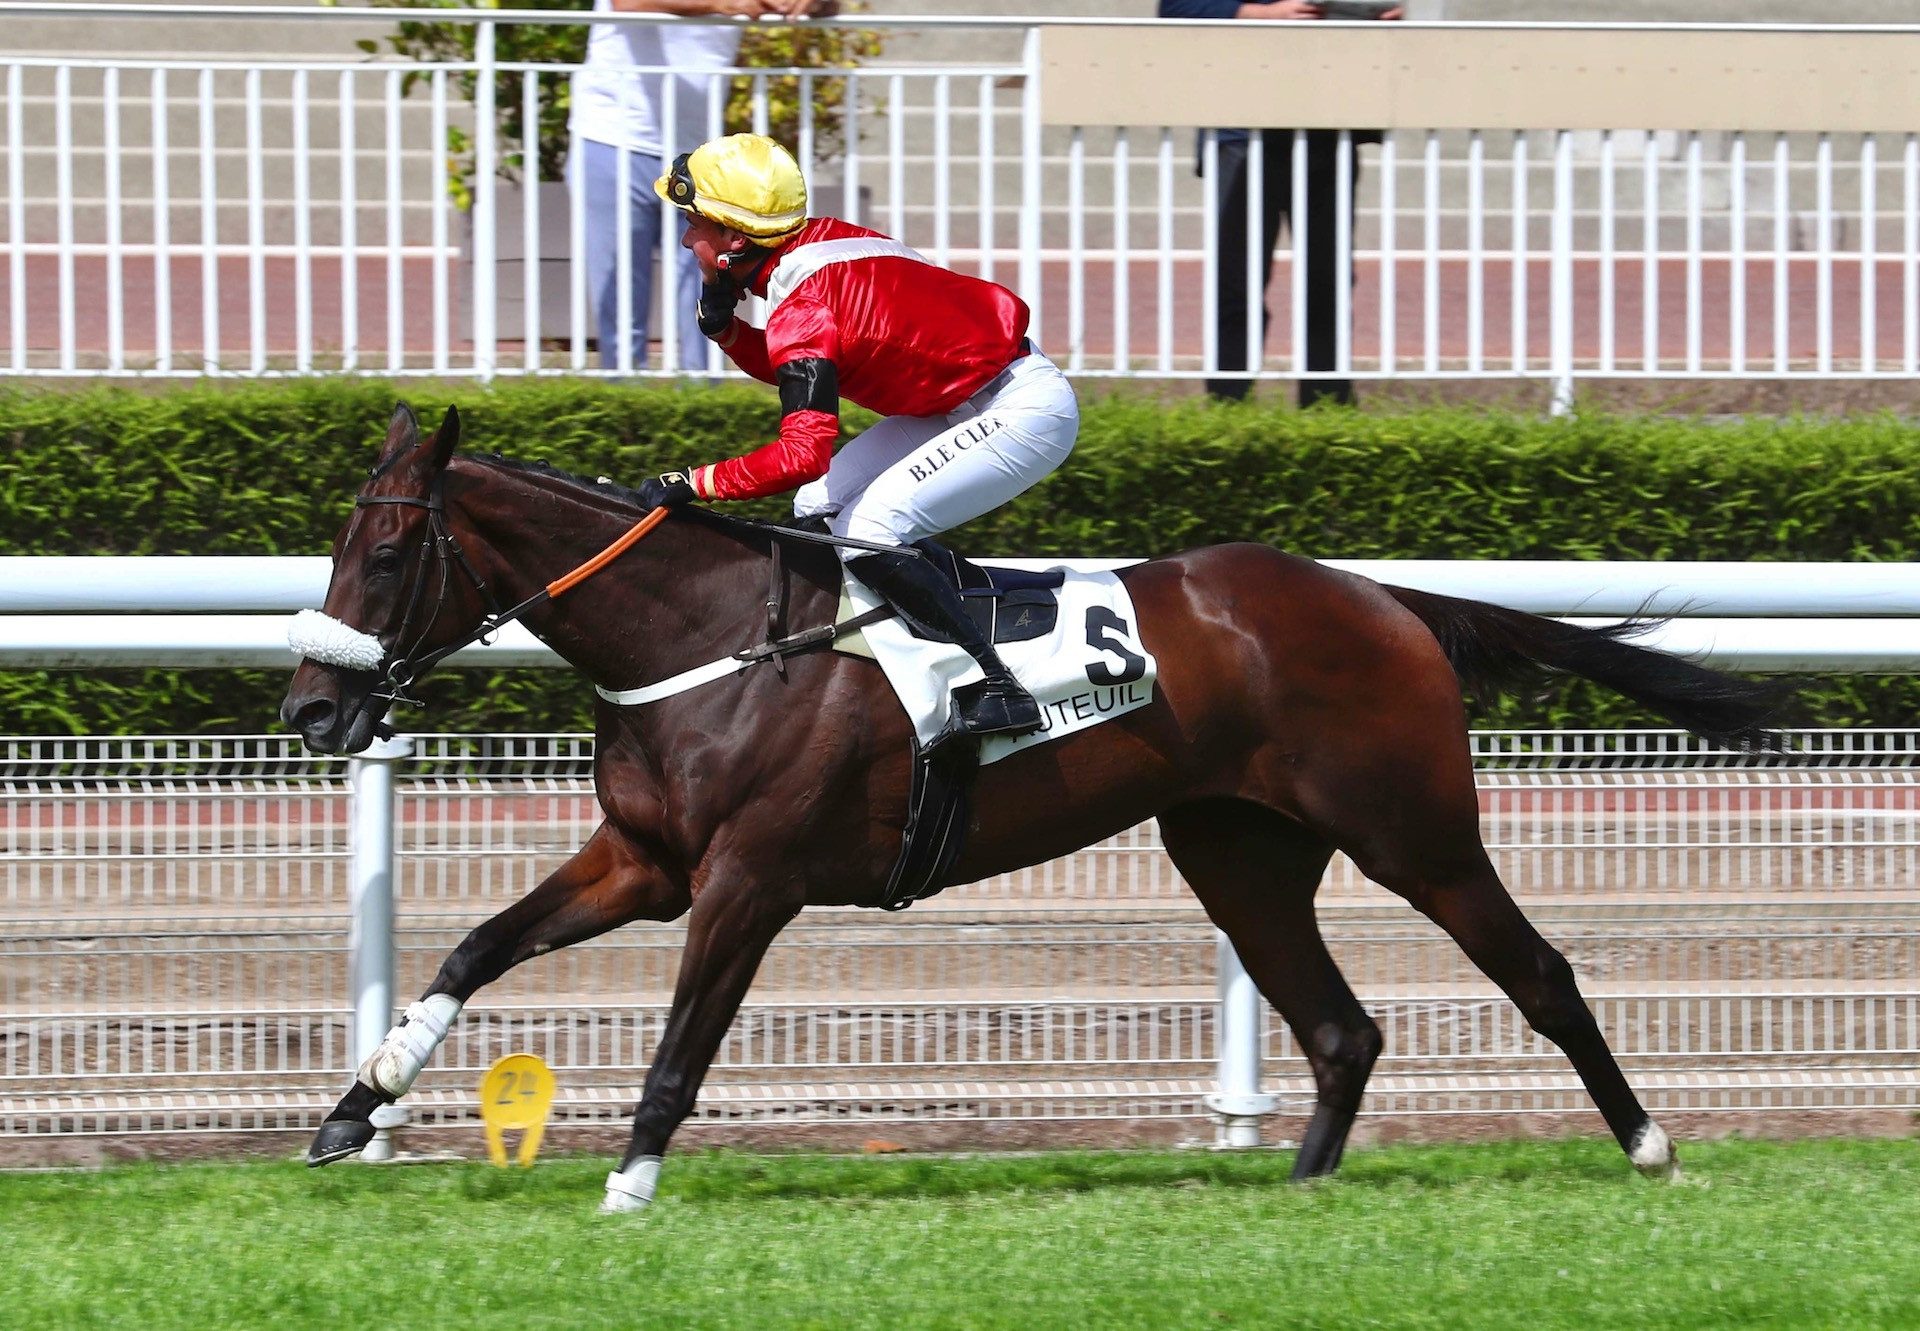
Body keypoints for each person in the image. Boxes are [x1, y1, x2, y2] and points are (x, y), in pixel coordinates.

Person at [633, 133, 1080, 739]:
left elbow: (801, 453)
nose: (687, 239)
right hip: (961, 398)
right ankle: (853, 670)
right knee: (816, 508)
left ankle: (999, 684)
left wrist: (696, 481)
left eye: (694, 224)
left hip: (1020, 410)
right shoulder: (815, 239)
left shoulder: (803, 305)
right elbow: (798, 363)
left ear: (736, 240)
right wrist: (729, 331)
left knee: (870, 530)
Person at [1158, 1, 1402, 407]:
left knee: (1328, 279)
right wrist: (1263, 13)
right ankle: (1228, 404)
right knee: (1237, 279)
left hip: (1328, 126)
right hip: (1243, 130)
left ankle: (1326, 407)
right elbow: (1178, 8)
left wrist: (1380, 15)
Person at [569, 1, 830, 373]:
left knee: (707, 290)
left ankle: (703, 395)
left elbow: (827, 6)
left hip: (699, 153)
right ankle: (624, 400)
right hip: (613, 137)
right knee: (621, 301)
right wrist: (724, 3)